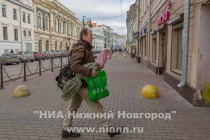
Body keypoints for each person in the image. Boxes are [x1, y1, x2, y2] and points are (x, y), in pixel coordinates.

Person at [62, 28, 122, 138]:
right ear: (84, 36)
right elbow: (75, 65)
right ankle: (109, 129)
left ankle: (66, 129)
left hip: (79, 83)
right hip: (82, 83)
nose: (92, 36)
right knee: (96, 106)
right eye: (90, 34)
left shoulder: (85, 47)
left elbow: (87, 63)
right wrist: (90, 72)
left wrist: (97, 66)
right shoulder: (81, 48)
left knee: (72, 107)